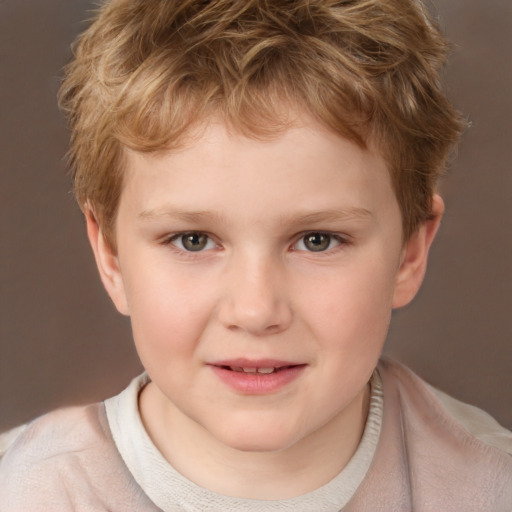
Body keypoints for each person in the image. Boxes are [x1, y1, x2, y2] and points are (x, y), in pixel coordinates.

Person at [0, 0, 511, 509]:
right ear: (111, 256)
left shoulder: (489, 487)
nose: (255, 310)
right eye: (193, 240)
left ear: (409, 253)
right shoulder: (28, 489)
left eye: (318, 240)